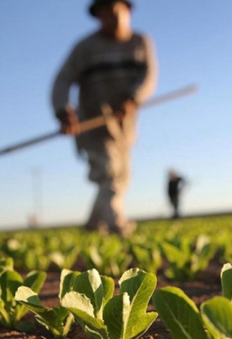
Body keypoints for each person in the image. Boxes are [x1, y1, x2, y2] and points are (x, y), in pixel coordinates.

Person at [51, 0, 158, 236]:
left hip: (125, 126)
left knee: (121, 176)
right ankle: (117, 225)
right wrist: (62, 110)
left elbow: (148, 76)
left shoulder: (141, 42)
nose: (113, 18)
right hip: (93, 123)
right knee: (108, 172)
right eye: (106, 14)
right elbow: (62, 79)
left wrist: (132, 97)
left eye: (117, 12)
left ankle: (92, 225)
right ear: (98, 17)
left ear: (128, 11)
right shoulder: (85, 48)